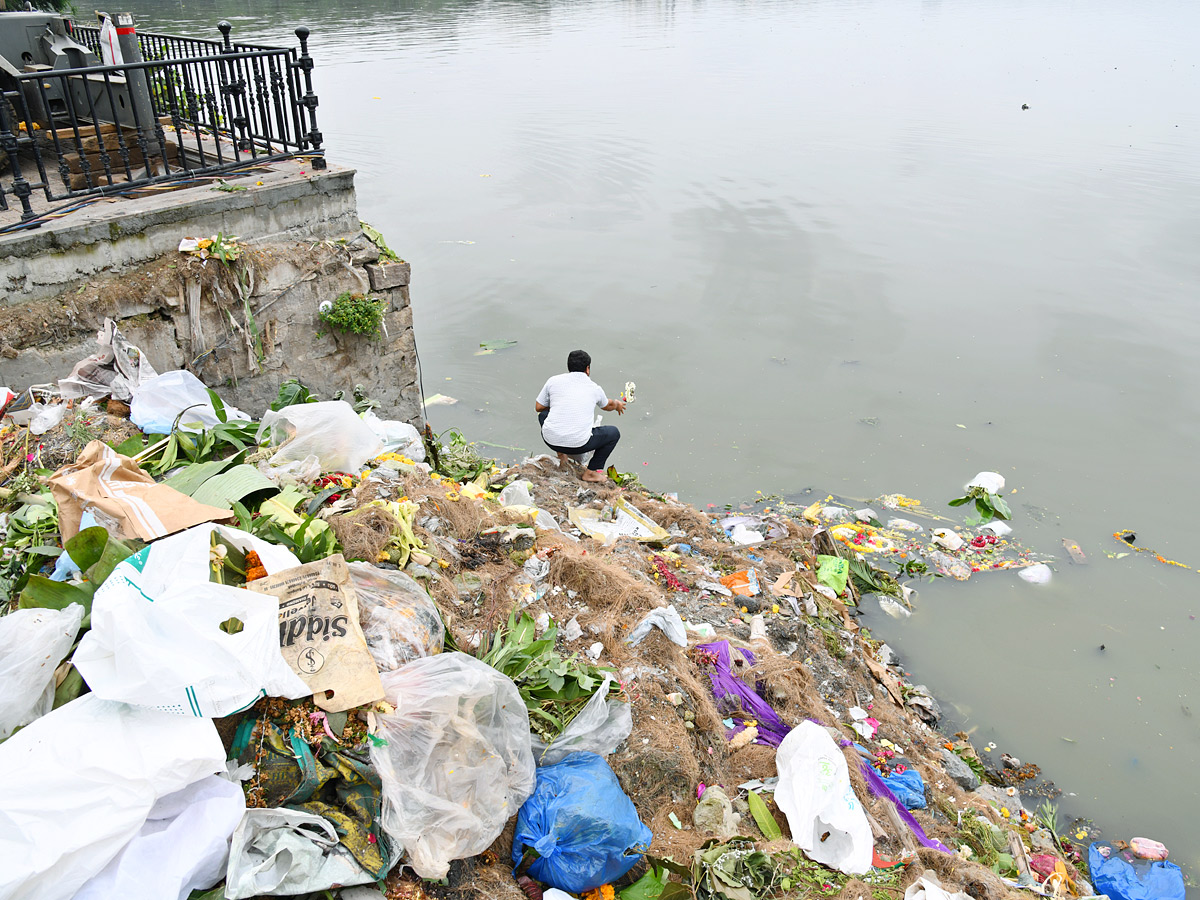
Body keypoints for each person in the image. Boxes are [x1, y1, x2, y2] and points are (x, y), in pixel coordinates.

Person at [534, 349, 626, 483]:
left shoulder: (553, 381)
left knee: (543, 415)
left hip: (551, 440)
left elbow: (539, 407)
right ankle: (591, 472)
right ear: (587, 369)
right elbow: (608, 406)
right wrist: (617, 404)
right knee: (613, 433)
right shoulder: (594, 388)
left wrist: (558, 404)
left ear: (569, 367)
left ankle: (562, 456)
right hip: (579, 444)